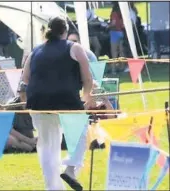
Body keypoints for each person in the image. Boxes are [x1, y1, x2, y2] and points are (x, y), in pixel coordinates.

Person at [20, 17, 94, 191]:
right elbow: (87, 76)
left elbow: (24, 79)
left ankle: (53, 188)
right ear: (65, 31)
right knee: (80, 134)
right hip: (66, 99)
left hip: (38, 102)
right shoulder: (75, 47)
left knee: (47, 146)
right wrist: (88, 96)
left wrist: (24, 98)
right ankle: (70, 169)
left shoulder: (35, 51)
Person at [109, 2, 126, 74]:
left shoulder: (114, 14)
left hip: (114, 33)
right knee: (121, 52)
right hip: (121, 33)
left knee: (114, 52)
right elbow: (123, 25)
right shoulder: (122, 14)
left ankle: (113, 70)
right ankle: (122, 68)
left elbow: (113, 23)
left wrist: (108, 26)